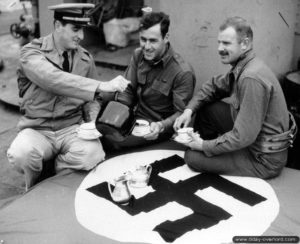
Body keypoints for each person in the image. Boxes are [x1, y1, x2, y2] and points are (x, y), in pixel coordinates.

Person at [7, 3, 130, 190]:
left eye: (82, 30)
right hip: (38, 128)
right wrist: (101, 85)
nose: (81, 36)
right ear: (57, 26)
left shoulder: (85, 58)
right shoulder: (31, 53)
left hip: (71, 128)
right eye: (75, 29)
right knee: (21, 153)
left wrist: (92, 121)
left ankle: (55, 172)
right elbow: (52, 79)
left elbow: (93, 99)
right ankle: (33, 185)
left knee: (93, 154)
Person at [174, 16, 297, 179]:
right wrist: (188, 110)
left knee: (191, 157)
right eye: (219, 42)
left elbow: (243, 136)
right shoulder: (244, 65)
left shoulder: (250, 77)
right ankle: (210, 152)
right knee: (208, 108)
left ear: (245, 44)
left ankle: (206, 152)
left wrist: (204, 146)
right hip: (254, 139)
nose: (219, 48)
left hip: (262, 160)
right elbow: (213, 86)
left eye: (226, 43)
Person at [98, 11, 195, 150]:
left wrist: (161, 126)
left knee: (112, 142)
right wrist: (118, 115)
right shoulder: (138, 54)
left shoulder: (182, 72)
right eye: (143, 39)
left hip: (157, 128)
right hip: (134, 117)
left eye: (153, 41)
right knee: (101, 130)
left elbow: (182, 113)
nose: (147, 47)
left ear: (166, 37)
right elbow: (128, 89)